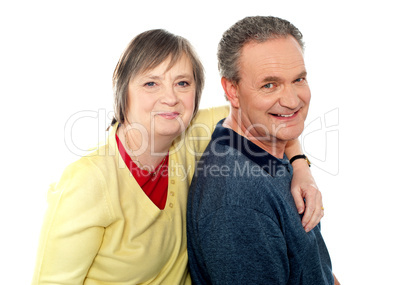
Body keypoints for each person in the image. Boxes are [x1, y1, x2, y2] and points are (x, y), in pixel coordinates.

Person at [32, 29, 323, 284]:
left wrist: (301, 167)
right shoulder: (87, 182)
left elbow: (275, 114)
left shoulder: (191, 135)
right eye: (151, 83)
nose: (170, 97)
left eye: (183, 83)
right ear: (123, 93)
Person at [187, 16, 340, 284]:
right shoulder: (238, 202)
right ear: (232, 90)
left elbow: (312, 266)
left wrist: (300, 163)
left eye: (298, 79)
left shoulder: (260, 143)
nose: (293, 101)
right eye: (270, 85)